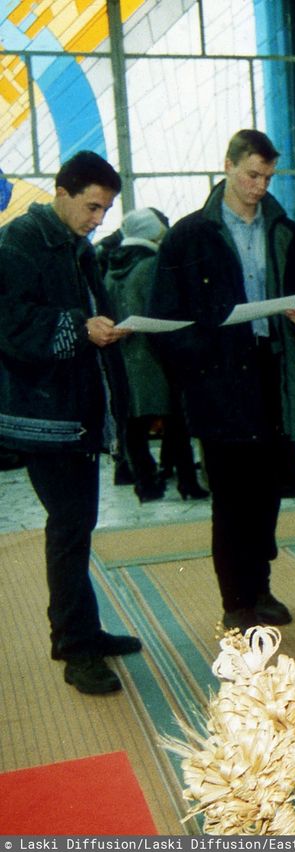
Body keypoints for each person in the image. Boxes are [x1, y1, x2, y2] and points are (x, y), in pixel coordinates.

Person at [150, 129, 295, 632]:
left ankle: (260, 587)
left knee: (267, 490)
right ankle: (235, 599)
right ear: (227, 166)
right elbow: (164, 318)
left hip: (270, 372)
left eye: (267, 177)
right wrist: (198, 367)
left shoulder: (284, 231)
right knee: (230, 493)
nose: (259, 186)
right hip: (218, 380)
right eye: (251, 175)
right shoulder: (188, 235)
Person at [0, 151, 142, 694]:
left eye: (104, 211)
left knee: (76, 525)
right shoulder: (20, 242)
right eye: (91, 207)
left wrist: (104, 327)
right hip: (45, 417)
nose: (97, 220)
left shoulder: (73, 245)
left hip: (71, 412)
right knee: (67, 528)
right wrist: (82, 329)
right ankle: (74, 646)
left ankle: (82, 630)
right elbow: (11, 325)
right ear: (61, 192)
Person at [102, 207, 208, 503]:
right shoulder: (151, 266)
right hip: (158, 357)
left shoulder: (113, 268)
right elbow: (165, 307)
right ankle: (187, 482)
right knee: (176, 419)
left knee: (134, 424)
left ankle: (145, 484)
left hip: (127, 358)